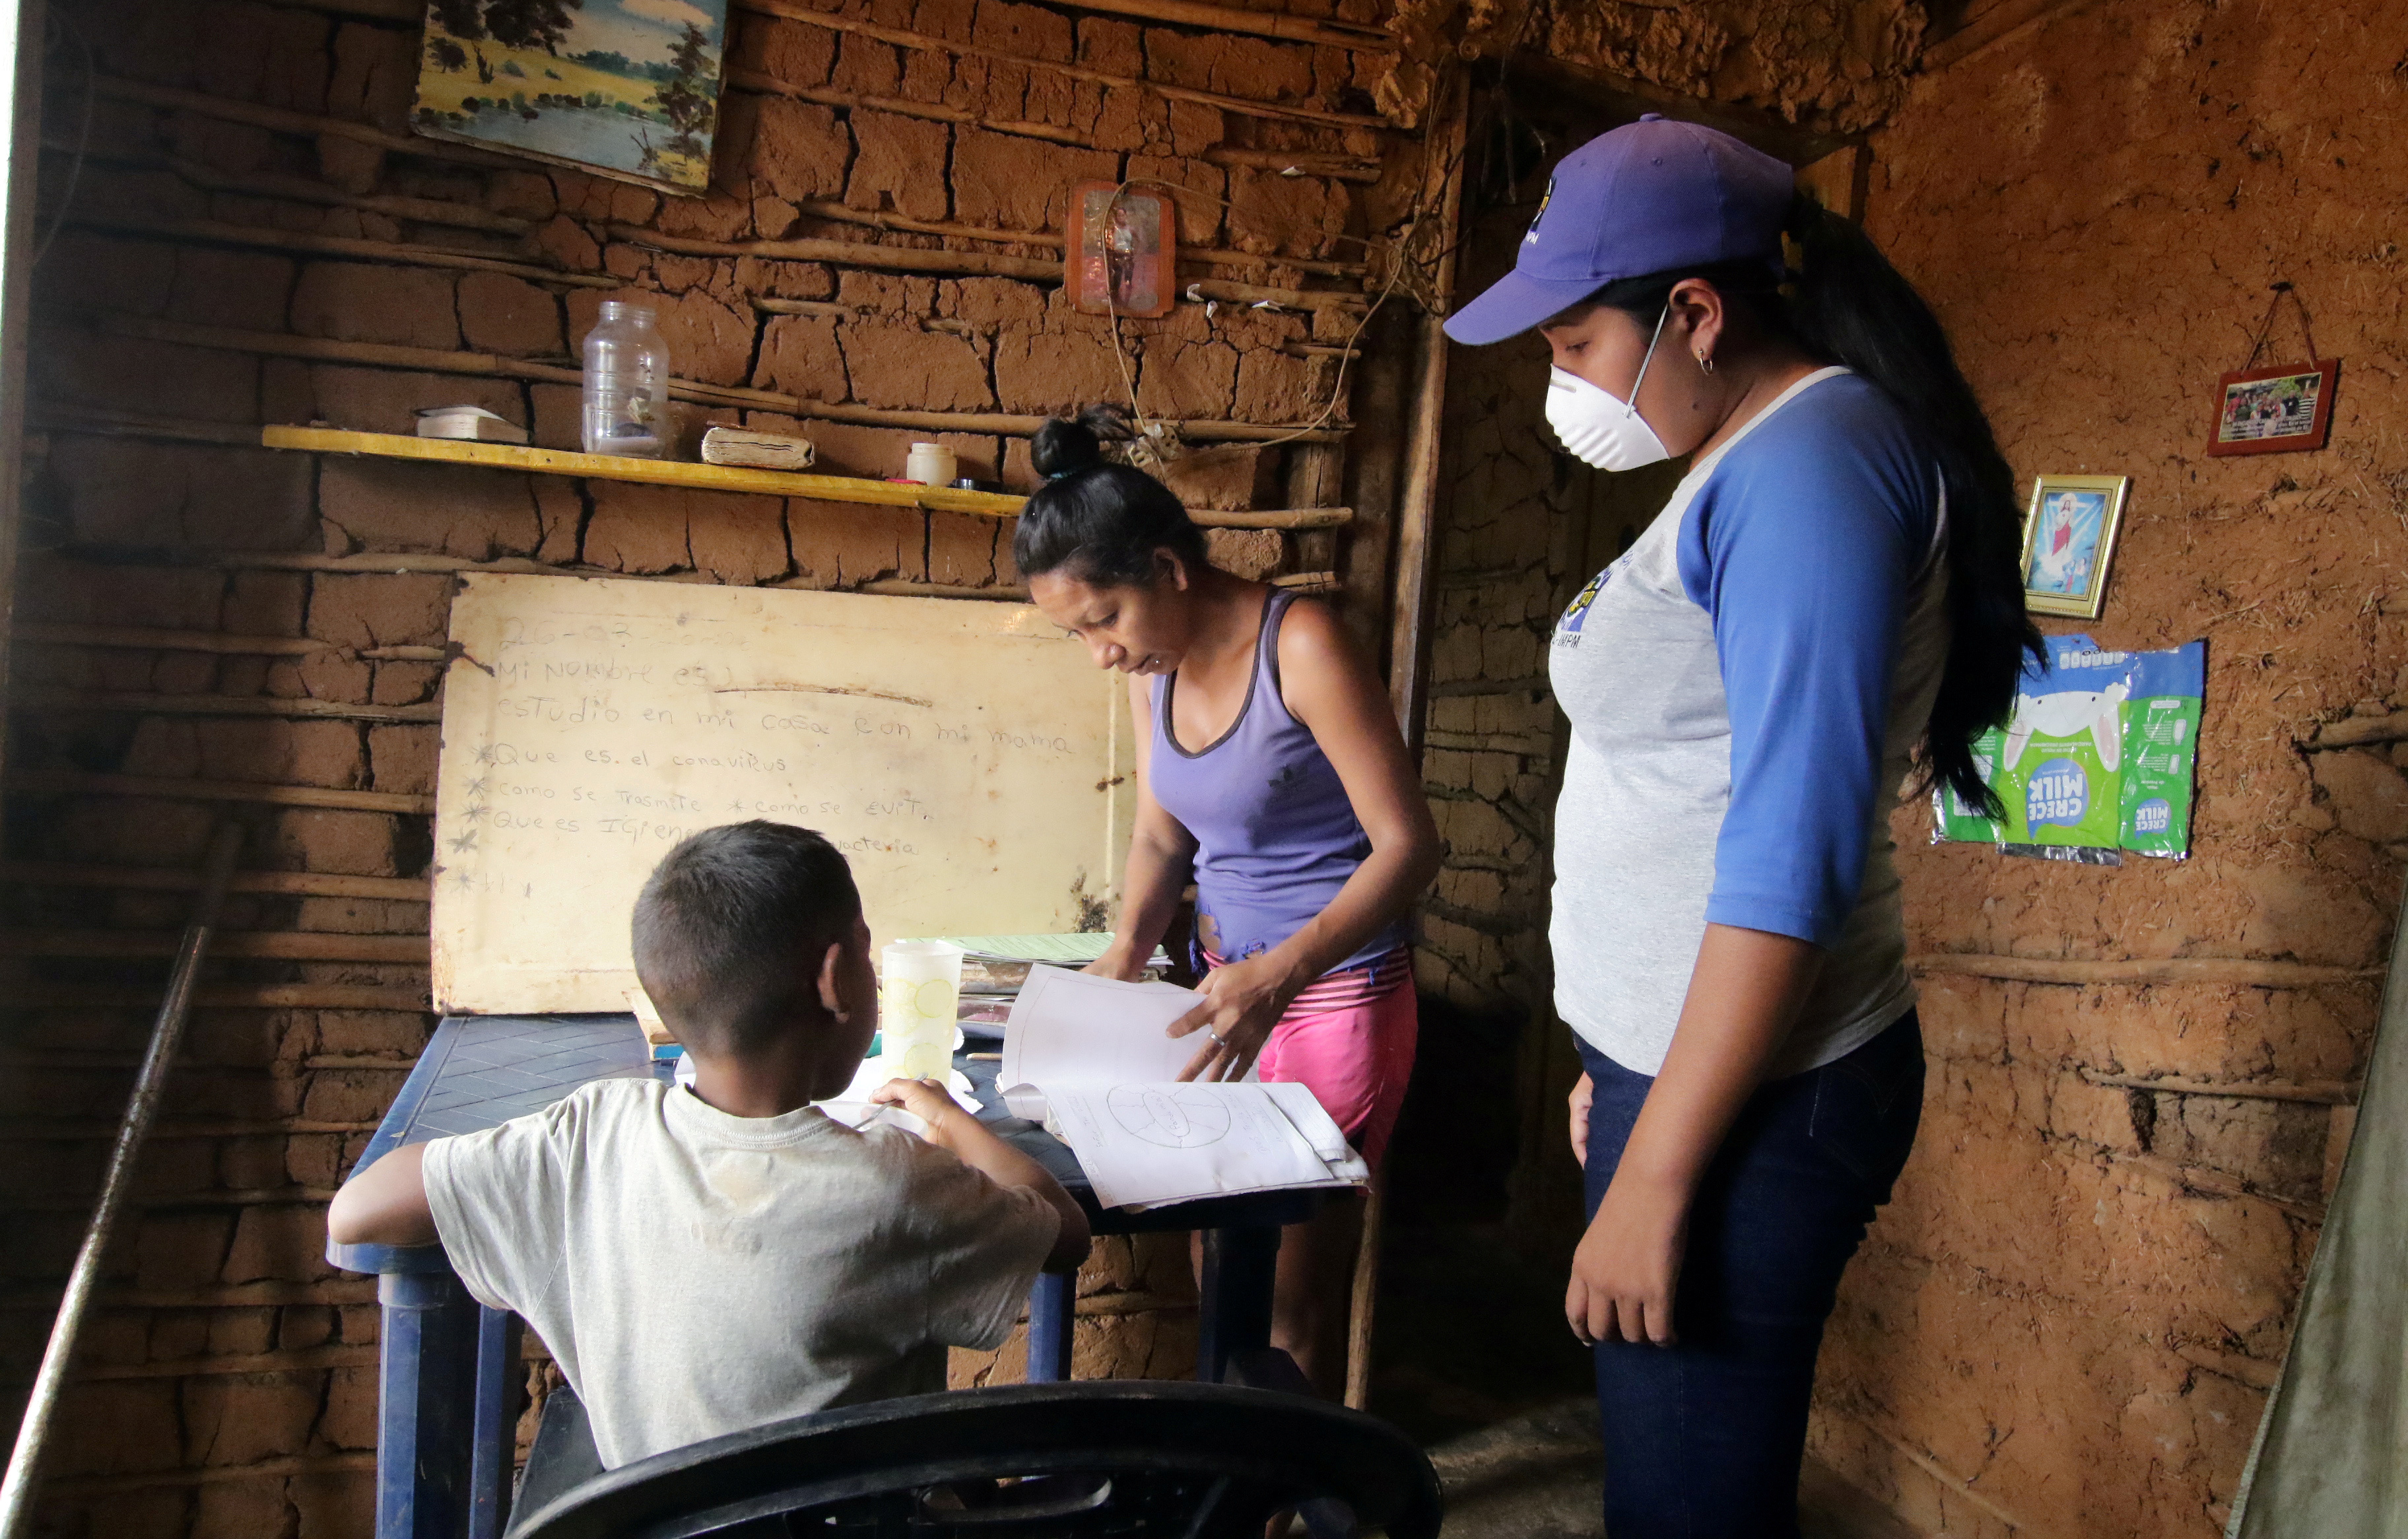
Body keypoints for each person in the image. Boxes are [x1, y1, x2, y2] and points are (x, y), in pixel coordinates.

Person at [1442, 114, 2041, 1536]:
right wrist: (1619, 1056)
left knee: (1689, 1504)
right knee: (1674, 1477)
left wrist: (1660, 1166)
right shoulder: (1750, 459)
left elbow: (1794, 850)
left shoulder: (1811, 464)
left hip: (1760, 1095)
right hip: (1691, 1066)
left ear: (1694, 313)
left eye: (1575, 344)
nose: (1563, 384)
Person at [327, 820, 1090, 1470]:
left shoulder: (588, 1136)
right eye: (865, 951)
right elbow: (1062, 1231)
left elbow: (356, 1212)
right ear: (836, 979)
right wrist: (947, 1116)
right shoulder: (896, 1184)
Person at [1017, 411, 1441, 1397]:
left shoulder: (1303, 644)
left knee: (1289, 1291)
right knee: (1218, 1272)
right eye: (1077, 634)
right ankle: (1237, 1485)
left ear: (1169, 569)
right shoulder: (1152, 670)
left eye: (1104, 619)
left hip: (1333, 1001)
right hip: (1225, 993)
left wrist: (1283, 972)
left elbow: (1410, 846)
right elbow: (1166, 835)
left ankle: (1277, 1507)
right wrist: (1125, 951)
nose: (1099, 654)